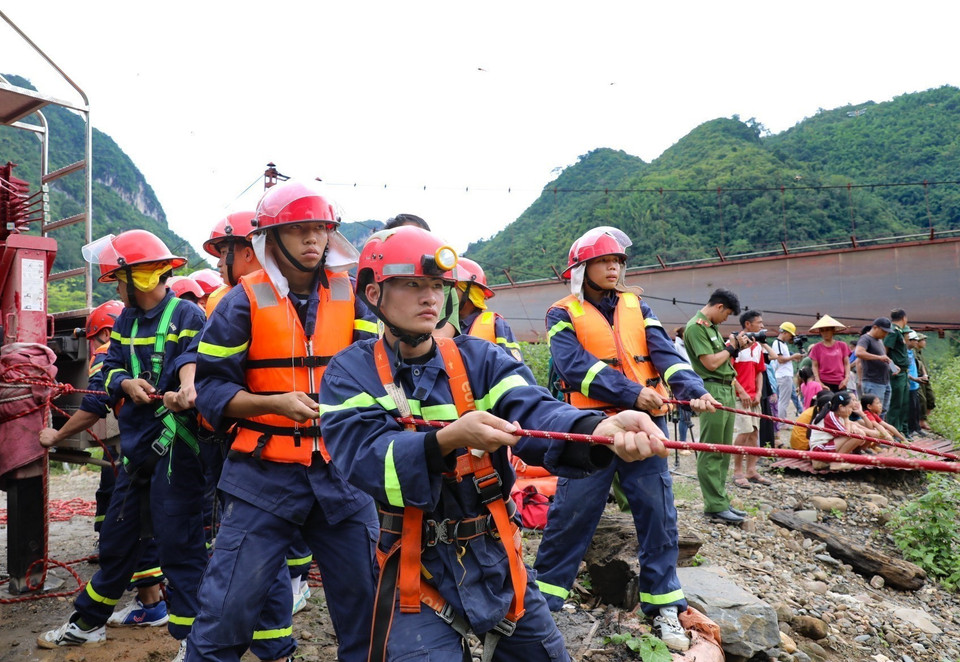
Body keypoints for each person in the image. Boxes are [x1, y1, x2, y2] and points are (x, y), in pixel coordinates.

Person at [319, 225, 670, 662]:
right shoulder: (350, 373)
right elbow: (365, 461)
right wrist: (447, 440)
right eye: (412, 285)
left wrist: (597, 429)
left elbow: (534, 409)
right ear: (374, 294)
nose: (430, 298)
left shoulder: (479, 359)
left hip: (496, 558)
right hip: (413, 566)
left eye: (437, 286)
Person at [186, 181, 380, 662]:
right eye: (298, 230)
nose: (313, 239)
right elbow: (210, 391)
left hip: (343, 474)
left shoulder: (352, 297)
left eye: (321, 229)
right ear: (270, 239)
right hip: (262, 474)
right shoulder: (241, 301)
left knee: (372, 610)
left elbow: (378, 373)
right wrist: (273, 404)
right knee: (226, 611)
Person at [531, 227, 717, 652]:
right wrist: (632, 393)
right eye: (604, 261)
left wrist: (693, 389)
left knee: (657, 513)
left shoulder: (638, 306)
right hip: (590, 427)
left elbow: (664, 353)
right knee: (572, 512)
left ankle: (663, 604)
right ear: (582, 268)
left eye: (618, 261)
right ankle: (544, 603)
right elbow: (574, 367)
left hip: (645, 426)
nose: (614, 267)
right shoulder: (561, 313)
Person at [39, 231, 208, 653]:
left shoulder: (187, 314)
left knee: (180, 547)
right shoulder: (126, 322)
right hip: (137, 455)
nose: (116, 288)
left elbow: (194, 359)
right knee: (117, 540)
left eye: (119, 280)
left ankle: (194, 643)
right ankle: (88, 622)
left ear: (140, 278)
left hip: (177, 453)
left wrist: (186, 387)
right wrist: (125, 383)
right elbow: (111, 369)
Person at [39, 301, 170, 627]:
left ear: (105, 332)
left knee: (126, 528)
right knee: (154, 524)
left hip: (141, 452)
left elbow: (94, 404)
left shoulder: (109, 353)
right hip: (168, 451)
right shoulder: (161, 344)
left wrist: (57, 435)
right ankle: (154, 600)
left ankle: (126, 611)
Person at [684, 288, 751, 524]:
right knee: (711, 449)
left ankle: (720, 501)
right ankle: (714, 506)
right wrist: (731, 348)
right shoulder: (696, 327)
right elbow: (711, 363)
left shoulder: (710, 327)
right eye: (727, 314)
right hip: (711, 389)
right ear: (719, 306)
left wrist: (735, 348)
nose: (725, 319)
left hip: (726, 388)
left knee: (723, 450)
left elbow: (722, 360)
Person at [730, 310, 772, 488]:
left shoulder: (757, 347)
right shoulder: (733, 344)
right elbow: (728, 371)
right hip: (739, 398)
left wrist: (759, 392)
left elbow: (759, 372)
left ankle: (751, 470)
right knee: (744, 432)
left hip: (754, 397)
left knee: (755, 433)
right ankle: (737, 471)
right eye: (759, 322)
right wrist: (741, 391)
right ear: (748, 324)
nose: (762, 326)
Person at [455, 256, 523, 361]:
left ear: (471, 293)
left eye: (453, 288)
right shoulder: (437, 325)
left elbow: (514, 367)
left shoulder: (496, 325)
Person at [808, 391, 873, 460]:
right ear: (841, 407)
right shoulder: (831, 416)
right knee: (857, 436)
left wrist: (855, 428)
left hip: (826, 445)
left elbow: (849, 431)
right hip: (819, 449)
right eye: (850, 407)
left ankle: (841, 458)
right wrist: (846, 418)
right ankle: (837, 460)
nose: (851, 410)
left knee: (859, 435)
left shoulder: (837, 415)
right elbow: (847, 434)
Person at [855, 318, 894, 416]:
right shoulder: (865, 339)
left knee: (883, 410)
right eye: (884, 331)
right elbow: (859, 353)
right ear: (875, 327)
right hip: (873, 381)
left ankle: (880, 426)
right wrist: (879, 357)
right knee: (873, 412)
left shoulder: (879, 341)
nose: (885, 334)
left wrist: (893, 366)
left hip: (884, 381)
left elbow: (884, 358)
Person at [884, 309, 911, 436]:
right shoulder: (893, 331)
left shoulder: (899, 332)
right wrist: (892, 367)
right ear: (904, 318)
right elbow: (885, 351)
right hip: (897, 373)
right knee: (896, 403)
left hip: (904, 372)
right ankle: (894, 432)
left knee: (904, 403)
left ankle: (903, 431)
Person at [770, 322, 803, 425]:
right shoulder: (778, 343)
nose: (790, 337)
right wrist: (793, 357)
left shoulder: (782, 344)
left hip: (784, 375)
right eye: (790, 335)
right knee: (783, 401)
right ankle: (781, 423)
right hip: (783, 375)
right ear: (785, 332)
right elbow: (780, 359)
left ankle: (780, 422)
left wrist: (793, 357)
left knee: (784, 400)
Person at [807, 315, 850, 392]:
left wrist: (846, 378)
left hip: (840, 382)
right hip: (824, 382)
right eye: (822, 330)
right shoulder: (816, 347)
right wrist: (818, 381)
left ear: (833, 330)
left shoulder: (842, 345)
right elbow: (815, 366)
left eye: (827, 330)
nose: (825, 333)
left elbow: (846, 363)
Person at [673, 327, 694, 442]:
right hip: (683, 383)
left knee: (687, 415)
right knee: (684, 416)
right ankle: (682, 442)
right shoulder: (676, 347)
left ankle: (684, 442)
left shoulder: (690, 347)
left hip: (692, 382)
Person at [905, 331, 925, 437]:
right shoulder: (903, 353)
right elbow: (903, 370)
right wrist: (914, 378)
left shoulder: (912, 352)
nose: (917, 342)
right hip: (909, 383)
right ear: (909, 341)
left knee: (916, 407)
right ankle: (910, 429)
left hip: (915, 384)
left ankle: (917, 428)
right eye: (915, 340)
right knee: (910, 408)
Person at [915, 333, 935, 431]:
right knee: (922, 400)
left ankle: (925, 418)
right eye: (923, 340)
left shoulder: (919, 352)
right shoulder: (913, 352)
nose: (925, 342)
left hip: (924, 378)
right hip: (917, 378)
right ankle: (921, 420)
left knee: (931, 398)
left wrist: (925, 374)